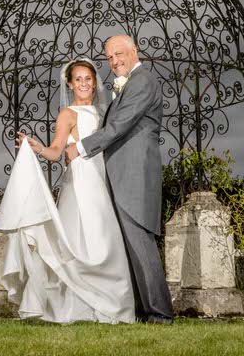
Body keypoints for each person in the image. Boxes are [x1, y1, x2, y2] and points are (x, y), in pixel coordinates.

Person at [0, 58, 135, 323]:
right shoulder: (67, 114)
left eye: (88, 79)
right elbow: (56, 151)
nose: (83, 83)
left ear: (95, 83)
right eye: (78, 79)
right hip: (80, 183)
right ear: (69, 84)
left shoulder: (105, 114)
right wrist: (37, 148)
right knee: (79, 241)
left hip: (103, 180)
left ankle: (112, 305)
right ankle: (75, 306)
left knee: (105, 238)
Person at [65, 34, 175, 324]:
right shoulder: (128, 84)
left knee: (140, 243)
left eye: (119, 54)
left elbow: (119, 125)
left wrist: (80, 146)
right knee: (130, 247)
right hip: (121, 175)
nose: (114, 61)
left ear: (134, 51)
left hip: (134, 174)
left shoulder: (143, 81)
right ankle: (142, 312)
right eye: (109, 57)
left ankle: (160, 315)